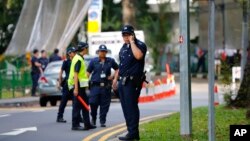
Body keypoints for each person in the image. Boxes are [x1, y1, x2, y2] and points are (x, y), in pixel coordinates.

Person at [112, 25, 147, 140]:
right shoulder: (123, 47)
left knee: (131, 107)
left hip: (132, 82)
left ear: (132, 34)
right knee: (126, 108)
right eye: (124, 35)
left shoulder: (139, 45)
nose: (125, 37)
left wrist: (132, 42)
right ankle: (130, 132)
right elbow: (121, 65)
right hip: (123, 81)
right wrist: (115, 79)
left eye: (127, 35)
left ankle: (133, 133)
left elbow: (138, 56)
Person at [87, 44, 118, 127]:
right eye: (101, 51)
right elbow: (88, 73)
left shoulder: (110, 61)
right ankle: (93, 118)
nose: (103, 53)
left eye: (104, 51)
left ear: (106, 52)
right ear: (98, 52)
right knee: (93, 103)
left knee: (105, 105)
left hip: (106, 86)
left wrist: (114, 78)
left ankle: (102, 120)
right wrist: (84, 82)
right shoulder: (93, 61)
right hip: (95, 86)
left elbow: (117, 69)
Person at [68, 42, 96, 130]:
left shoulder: (79, 58)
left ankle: (87, 124)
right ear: (84, 49)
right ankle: (75, 125)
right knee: (77, 106)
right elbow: (75, 74)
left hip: (81, 86)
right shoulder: (78, 59)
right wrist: (76, 89)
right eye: (86, 48)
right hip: (77, 86)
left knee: (85, 105)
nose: (87, 50)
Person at [56, 47, 76, 123]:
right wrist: (59, 82)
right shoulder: (66, 62)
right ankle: (59, 117)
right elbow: (61, 72)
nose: (74, 53)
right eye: (73, 52)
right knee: (64, 101)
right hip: (67, 84)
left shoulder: (76, 61)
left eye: (75, 52)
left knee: (76, 102)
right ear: (69, 53)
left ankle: (77, 117)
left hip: (75, 84)